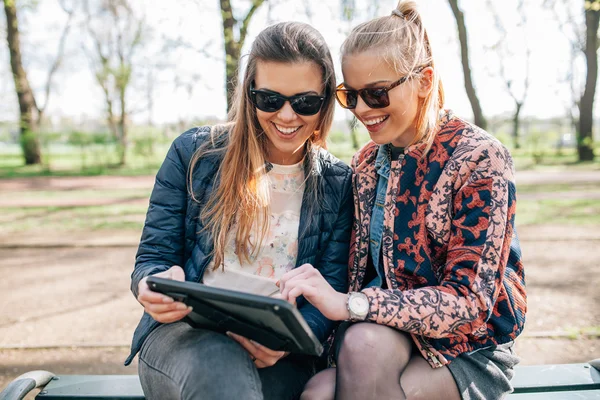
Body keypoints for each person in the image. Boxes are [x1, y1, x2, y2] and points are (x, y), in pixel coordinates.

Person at [278, 2, 527, 399]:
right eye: (351, 95)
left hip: (467, 347)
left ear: (424, 81)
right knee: (317, 391)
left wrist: (354, 306)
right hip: (378, 338)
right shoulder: (363, 165)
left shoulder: (478, 157)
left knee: (359, 350)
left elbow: (470, 302)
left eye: (376, 94)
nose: (361, 110)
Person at [124, 21, 353, 400]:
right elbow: (152, 258)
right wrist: (149, 285)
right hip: (183, 337)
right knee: (219, 366)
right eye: (270, 99)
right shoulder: (195, 154)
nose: (286, 116)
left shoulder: (339, 183)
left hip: (278, 353)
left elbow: (329, 291)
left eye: (305, 102)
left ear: (326, 100)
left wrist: (292, 341)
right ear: (249, 94)